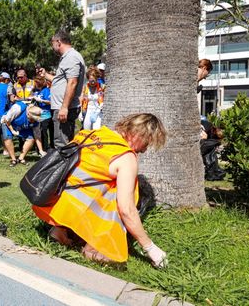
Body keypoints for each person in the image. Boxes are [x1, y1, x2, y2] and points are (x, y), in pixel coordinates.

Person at [33, 113, 169, 268]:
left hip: (55, 200)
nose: (144, 150)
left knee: (94, 181)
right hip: (77, 204)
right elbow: (126, 209)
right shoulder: (125, 157)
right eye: (148, 143)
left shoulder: (91, 134)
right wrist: (150, 248)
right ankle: (95, 249)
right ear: (141, 135)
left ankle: (59, 231)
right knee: (122, 193)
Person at [38, 30, 86, 148]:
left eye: (52, 43)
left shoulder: (71, 57)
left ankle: (64, 166)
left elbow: (72, 83)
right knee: (65, 143)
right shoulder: (67, 57)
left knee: (62, 145)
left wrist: (64, 108)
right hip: (62, 107)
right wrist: (45, 75)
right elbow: (61, 81)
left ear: (58, 42)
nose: (52, 47)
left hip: (63, 108)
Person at [1, 101, 42, 166]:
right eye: (33, 119)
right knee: (7, 138)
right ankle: (13, 159)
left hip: (22, 126)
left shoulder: (36, 120)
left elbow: (37, 135)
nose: (34, 121)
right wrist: (12, 131)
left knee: (31, 139)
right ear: (28, 114)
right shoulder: (18, 108)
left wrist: (41, 150)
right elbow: (7, 120)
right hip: (8, 122)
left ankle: (21, 158)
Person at [31, 75, 52, 154]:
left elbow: (50, 102)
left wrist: (41, 100)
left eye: (36, 82)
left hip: (45, 113)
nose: (35, 84)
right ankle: (38, 149)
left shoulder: (46, 90)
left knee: (43, 131)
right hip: (36, 113)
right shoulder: (35, 91)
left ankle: (45, 148)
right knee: (37, 131)